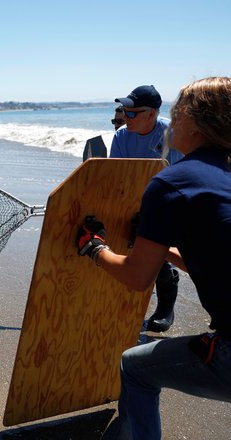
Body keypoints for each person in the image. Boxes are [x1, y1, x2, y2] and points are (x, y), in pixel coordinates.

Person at [77, 77, 231, 440]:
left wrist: (94, 248)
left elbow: (136, 277)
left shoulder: (170, 182)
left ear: (194, 122)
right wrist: (164, 249)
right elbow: (212, 260)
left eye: (178, 113)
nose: (173, 121)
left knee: (135, 366)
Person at [110, 85, 182, 332]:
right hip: (134, 201)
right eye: (124, 111)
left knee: (150, 237)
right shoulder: (121, 137)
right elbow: (116, 179)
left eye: (132, 113)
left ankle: (166, 300)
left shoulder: (174, 135)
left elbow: (184, 180)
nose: (125, 117)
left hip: (169, 204)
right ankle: (120, 302)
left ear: (152, 114)